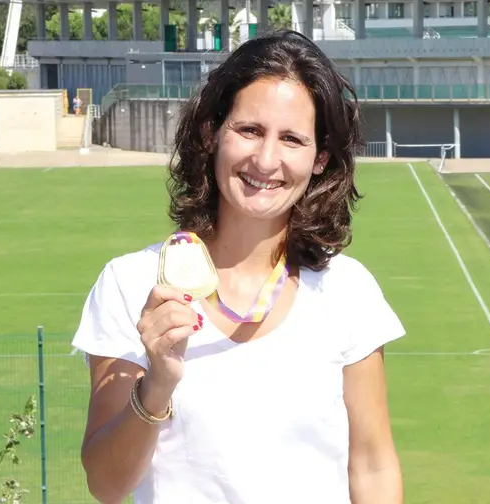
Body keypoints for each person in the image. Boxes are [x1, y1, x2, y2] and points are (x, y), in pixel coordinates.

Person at [71, 30, 406, 504]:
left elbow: (372, 467)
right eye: (249, 130)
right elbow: (106, 486)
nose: (266, 160)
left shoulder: (348, 290)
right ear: (211, 133)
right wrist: (157, 383)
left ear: (320, 159)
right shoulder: (131, 284)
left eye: (292, 139)